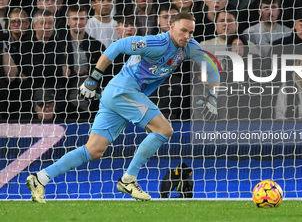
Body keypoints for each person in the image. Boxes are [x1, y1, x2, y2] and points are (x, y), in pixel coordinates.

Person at [26, 12, 220, 202]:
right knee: (164, 129)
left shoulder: (189, 47)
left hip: (116, 94)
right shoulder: (156, 43)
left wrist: (213, 96)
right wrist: (94, 77)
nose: (187, 36)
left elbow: (212, 66)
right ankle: (129, 179)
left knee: (94, 150)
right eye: (183, 30)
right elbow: (117, 45)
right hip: (124, 91)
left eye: (191, 32)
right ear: (171, 27)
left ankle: (40, 178)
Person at [64, 5, 105, 120]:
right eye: (75, 19)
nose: (79, 22)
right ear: (68, 21)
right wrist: (71, 72)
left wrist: (92, 76)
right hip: (66, 93)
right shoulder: (59, 44)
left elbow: (104, 70)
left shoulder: (97, 46)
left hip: (92, 93)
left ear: (87, 20)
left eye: (82, 19)